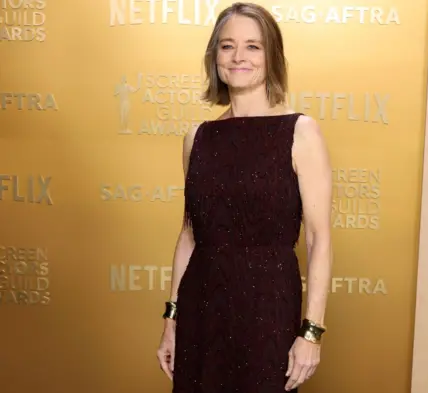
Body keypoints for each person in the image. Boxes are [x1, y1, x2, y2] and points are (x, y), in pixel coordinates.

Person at [156, 2, 333, 392]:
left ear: (272, 57)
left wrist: (311, 332)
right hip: (201, 306)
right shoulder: (197, 138)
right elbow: (189, 234)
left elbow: (319, 239)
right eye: (227, 46)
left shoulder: (300, 133)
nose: (238, 57)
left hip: (268, 310)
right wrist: (172, 318)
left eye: (253, 46)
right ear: (214, 56)